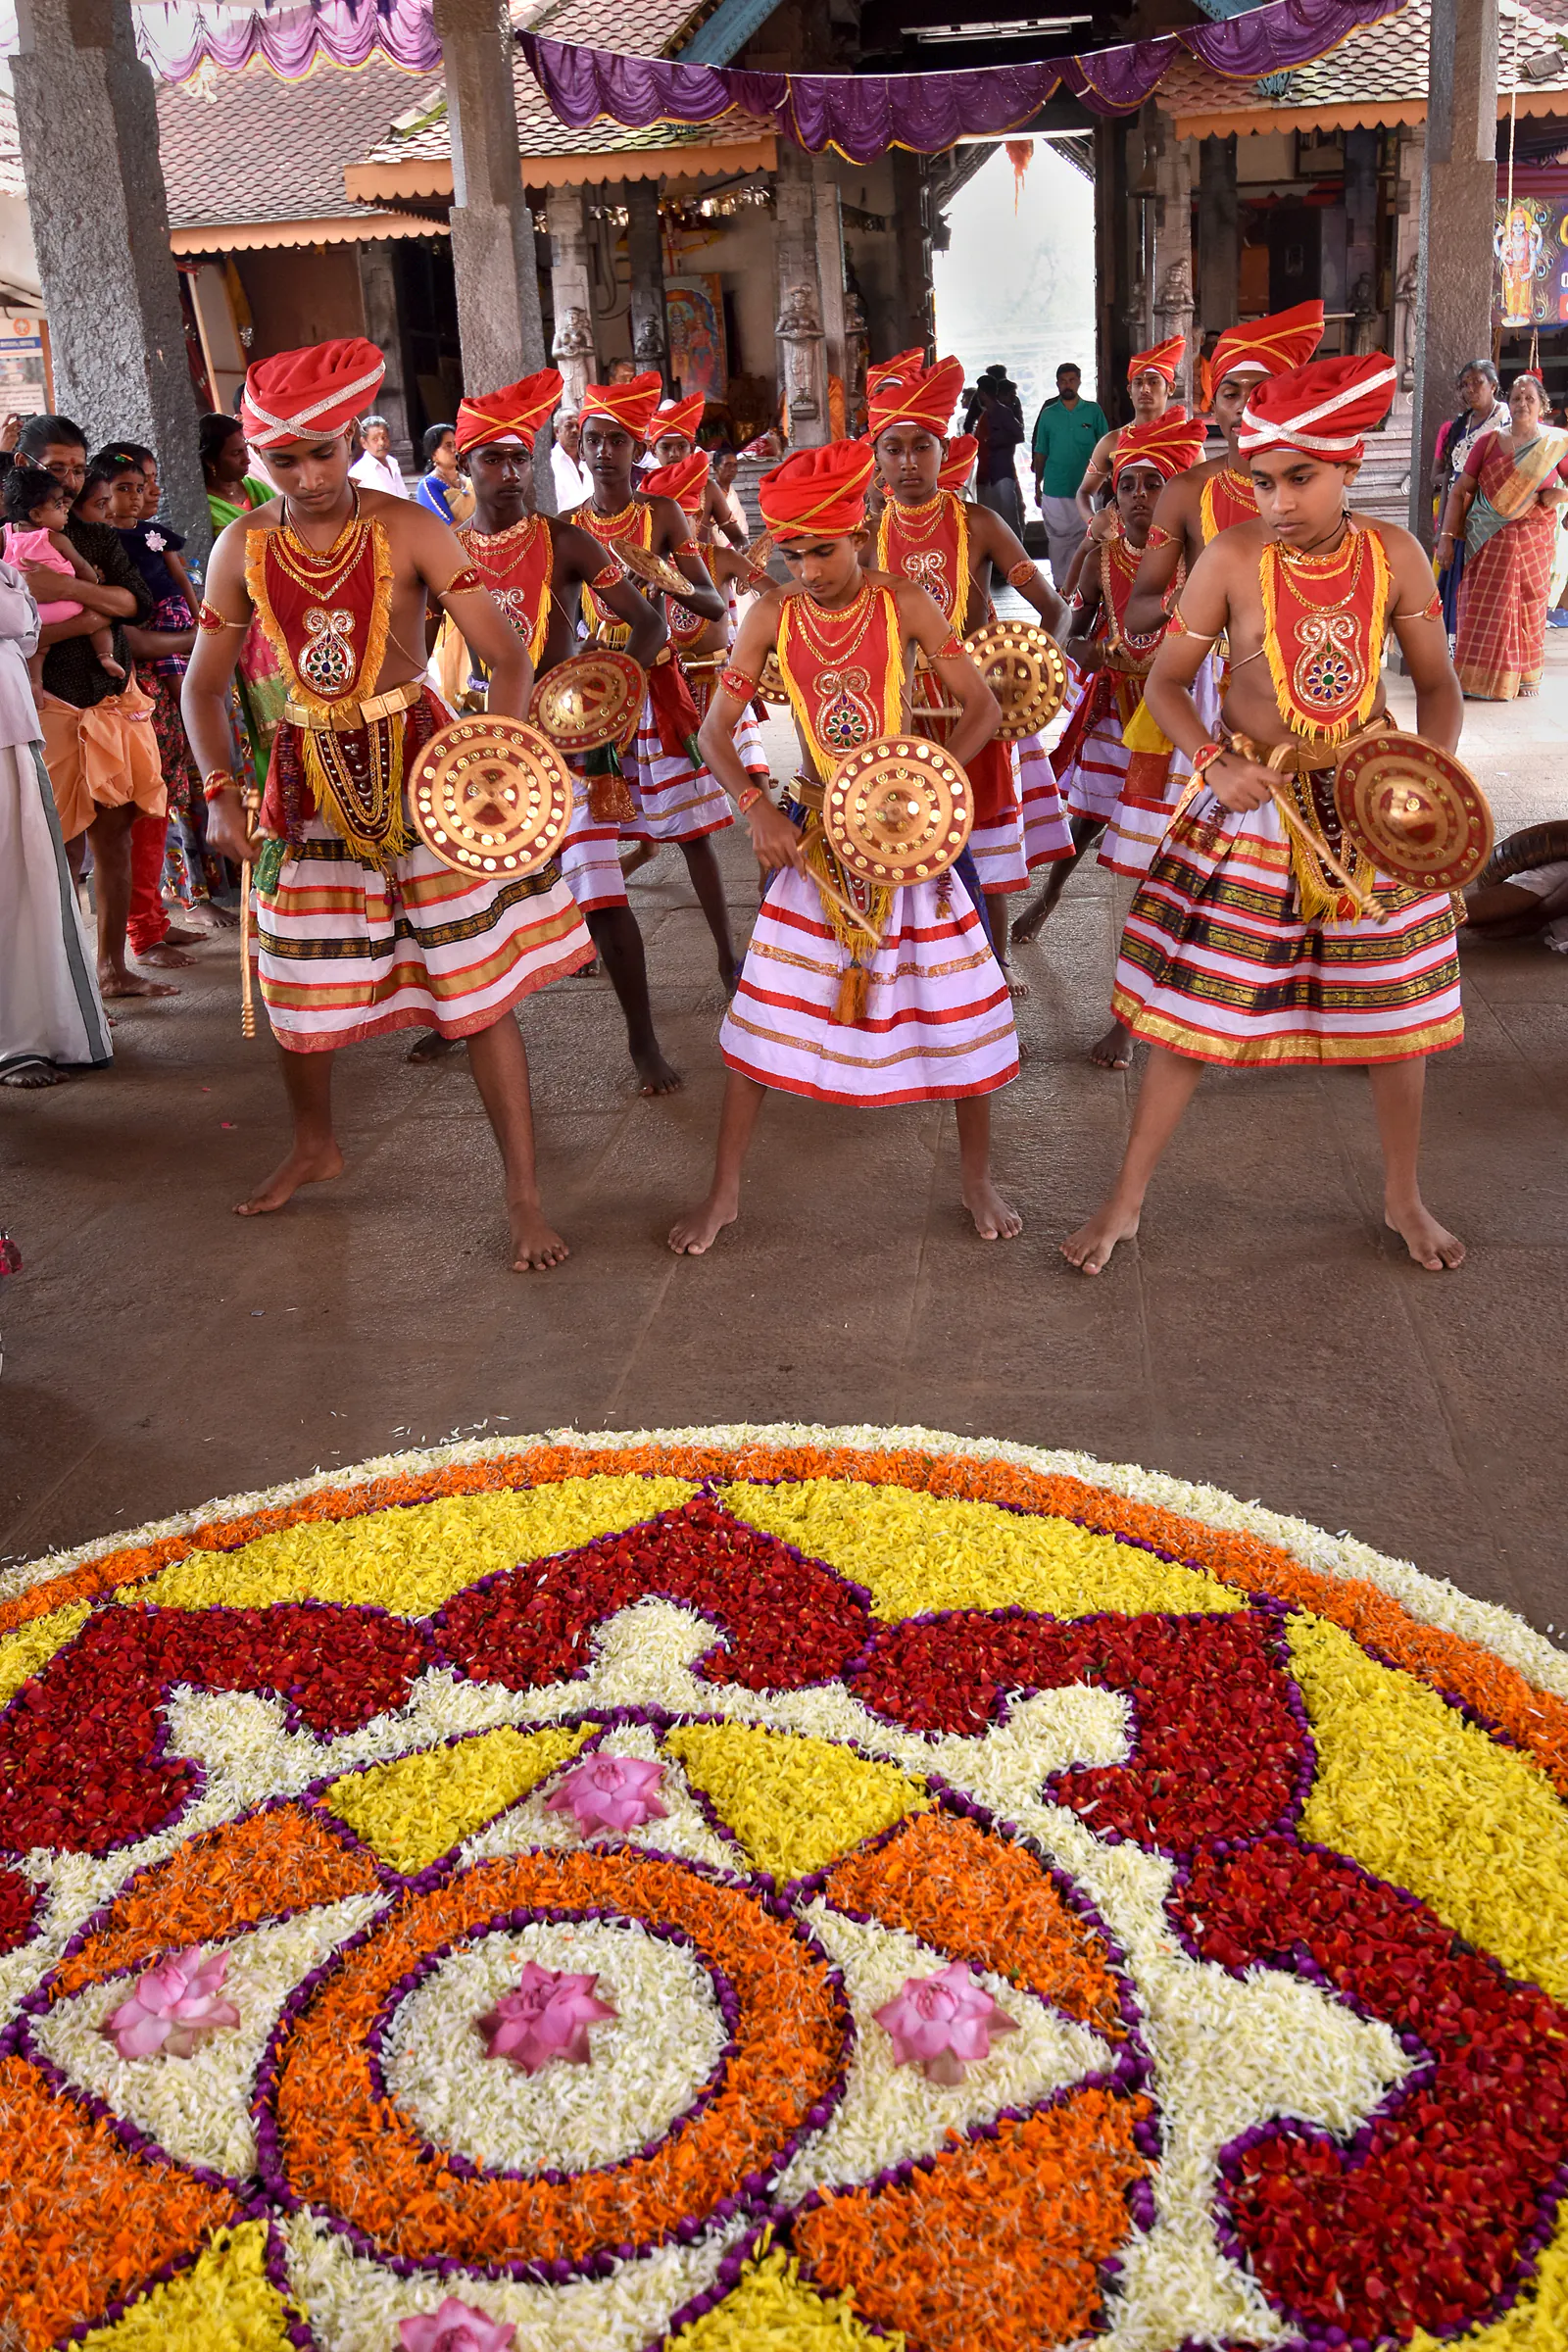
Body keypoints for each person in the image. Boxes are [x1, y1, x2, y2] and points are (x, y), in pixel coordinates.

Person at [182, 337, 597, 1270]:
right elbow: (202, 686)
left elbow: (507, 654)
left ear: (350, 441)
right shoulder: (239, 546)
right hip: (302, 782)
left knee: (478, 991)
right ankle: (315, 1145)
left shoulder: (411, 527)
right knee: (294, 986)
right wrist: (217, 794)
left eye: (323, 451)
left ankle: (524, 1196)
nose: (307, 474)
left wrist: (498, 755)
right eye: (282, 459)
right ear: (258, 460)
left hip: (425, 772)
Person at [1062, 354, 1467, 1279]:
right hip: (1254, 803)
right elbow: (1167, 683)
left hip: (1369, 801)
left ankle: (1404, 1196)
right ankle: (1125, 1202)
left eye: (1300, 478)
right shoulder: (1231, 558)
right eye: (1262, 480)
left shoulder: (1395, 556)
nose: (1277, 501)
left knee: (1397, 1009)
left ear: (1350, 467)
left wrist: (1427, 775)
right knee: (1186, 1013)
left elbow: (1437, 686)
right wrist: (1212, 760)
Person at [670, 438, 1021, 1255]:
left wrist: (924, 785)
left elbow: (982, 709)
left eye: (822, 549)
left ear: (859, 532)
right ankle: (723, 1193)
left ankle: (976, 1179)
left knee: (959, 1006)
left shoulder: (905, 604)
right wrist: (755, 805)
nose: (807, 567)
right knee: (762, 1012)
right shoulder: (770, 615)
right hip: (816, 835)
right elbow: (713, 731)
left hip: (911, 841)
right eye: (790, 551)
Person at [449, 368, 682, 1095]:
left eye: (522, 457)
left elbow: (647, 624)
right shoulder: (444, 549)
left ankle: (643, 1042)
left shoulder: (566, 541)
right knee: (466, 898)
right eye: (494, 458)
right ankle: (448, 1022)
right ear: (465, 467)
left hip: (571, 745)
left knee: (603, 896)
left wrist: (605, 691)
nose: (511, 472)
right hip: (485, 750)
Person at [868, 353, 1069, 990]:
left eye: (920, 447)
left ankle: (996, 968)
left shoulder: (979, 524)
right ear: (876, 462)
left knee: (982, 850)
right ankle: (922, 968)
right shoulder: (863, 540)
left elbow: (1052, 609)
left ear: (943, 447)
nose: (908, 463)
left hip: (975, 717)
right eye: (893, 449)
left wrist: (1032, 675)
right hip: (900, 722)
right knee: (906, 843)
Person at [1015, 414, 1209, 1067]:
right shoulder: (1102, 557)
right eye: (1128, 483)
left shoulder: (1204, 559)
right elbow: (1069, 630)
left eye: (1154, 483)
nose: (1138, 496)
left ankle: (1133, 1019)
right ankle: (1050, 893)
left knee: (1155, 863)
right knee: (1090, 816)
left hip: (1175, 727)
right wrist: (1094, 651)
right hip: (1115, 709)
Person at [564, 371, 739, 993]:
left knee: (691, 833)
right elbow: (559, 621)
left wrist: (660, 581)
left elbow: (714, 604)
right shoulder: (565, 526)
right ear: (576, 447)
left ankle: (727, 954)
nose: (606, 451)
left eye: (618, 441)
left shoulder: (661, 514)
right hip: (592, 694)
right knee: (586, 835)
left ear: (638, 450)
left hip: (655, 686)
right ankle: (583, 945)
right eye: (594, 440)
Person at [22, 416, 171, 1004]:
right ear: (23, 466)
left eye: (78, 469)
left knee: (116, 834)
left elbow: (135, 602)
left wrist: (71, 595)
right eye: (56, 469)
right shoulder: (11, 535)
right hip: (46, 701)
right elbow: (19, 632)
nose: (71, 482)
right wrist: (91, 616)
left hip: (111, 697)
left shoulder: (95, 533)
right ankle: (60, 988)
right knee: (56, 846)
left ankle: (112, 969)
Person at [1120, 301, 1327, 642]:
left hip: (1298, 667)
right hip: (1210, 680)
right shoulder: (1186, 491)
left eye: (1261, 391)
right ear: (1214, 408)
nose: (1245, 405)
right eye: (1231, 393)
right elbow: (1138, 613)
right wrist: (1181, 601)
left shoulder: (1318, 486)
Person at [0, 549, 112, 1087]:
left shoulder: (9, 564)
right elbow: (21, 621)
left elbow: (26, 628)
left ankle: (26, 1038)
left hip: (10, 733)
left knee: (26, 885)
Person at [1438, 371, 1568, 701]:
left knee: (1529, 604)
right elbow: (1460, 491)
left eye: (1530, 398)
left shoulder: (1555, 444)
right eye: (1516, 398)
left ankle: (1524, 677)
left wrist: (1560, 496)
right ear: (1508, 404)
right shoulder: (1490, 441)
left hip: (1534, 542)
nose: (1522, 403)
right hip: (1486, 540)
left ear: (1542, 405)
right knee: (1481, 606)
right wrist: (1447, 537)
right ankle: (1477, 681)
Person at [202, 411, 289, 789]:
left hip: (285, 611)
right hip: (246, 623)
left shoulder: (260, 493)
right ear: (211, 461)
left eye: (245, 451)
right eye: (236, 454)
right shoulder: (205, 510)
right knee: (264, 718)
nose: (245, 460)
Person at [2, 466, 122, 688]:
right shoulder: (54, 538)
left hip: (34, 615)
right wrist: (95, 580)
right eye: (58, 506)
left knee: (37, 649)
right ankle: (106, 656)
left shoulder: (6, 536)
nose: (65, 510)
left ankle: (35, 682)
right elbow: (82, 567)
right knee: (98, 617)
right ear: (36, 515)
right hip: (68, 605)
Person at [1431, 361, 1508, 633]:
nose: (1470, 389)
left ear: (1494, 386)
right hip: (1458, 517)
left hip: (1492, 521)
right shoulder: (1459, 427)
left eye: (1477, 382)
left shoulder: (1507, 424)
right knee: (1455, 588)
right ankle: (1455, 657)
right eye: (1465, 384)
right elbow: (1440, 476)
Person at [1075, 336, 1188, 523]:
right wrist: (1093, 524)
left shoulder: (1185, 440)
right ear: (1129, 390)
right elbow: (1084, 492)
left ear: (1170, 388)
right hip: (1124, 539)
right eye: (1138, 382)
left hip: (1172, 538)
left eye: (1153, 382)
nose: (1144, 389)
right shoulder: (1112, 441)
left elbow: (1202, 497)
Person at [1031, 364, 1110, 585]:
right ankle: (1061, 588)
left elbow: (1107, 447)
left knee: (1090, 536)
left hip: (1088, 486)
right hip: (1056, 487)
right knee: (1058, 540)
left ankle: (1086, 588)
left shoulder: (1093, 411)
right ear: (1057, 384)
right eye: (1064, 381)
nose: (1068, 384)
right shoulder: (1048, 415)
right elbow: (1041, 452)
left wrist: (1107, 479)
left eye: (1072, 380)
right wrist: (1037, 485)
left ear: (1079, 381)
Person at [645, 394, 747, 547]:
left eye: (681, 446)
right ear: (653, 451)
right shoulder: (645, 491)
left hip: (705, 569)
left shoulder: (708, 489)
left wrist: (744, 556)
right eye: (665, 447)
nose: (674, 454)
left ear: (692, 449)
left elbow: (738, 538)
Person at [414, 423, 474, 527]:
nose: (454, 450)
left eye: (455, 444)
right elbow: (449, 526)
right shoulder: (428, 485)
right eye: (448, 445)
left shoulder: (467, 480)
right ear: (433, 454)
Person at [348, 414, 408, 499]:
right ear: (364, 443)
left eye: (384, 437)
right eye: (375, 439)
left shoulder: (393, 463)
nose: (381, 443)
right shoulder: (358, 473)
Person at [551, 411, 594, 511]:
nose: (575, 431)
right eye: (569, 426)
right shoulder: (550, 463)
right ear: (557, 431)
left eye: (578, 426)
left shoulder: (591, 461)